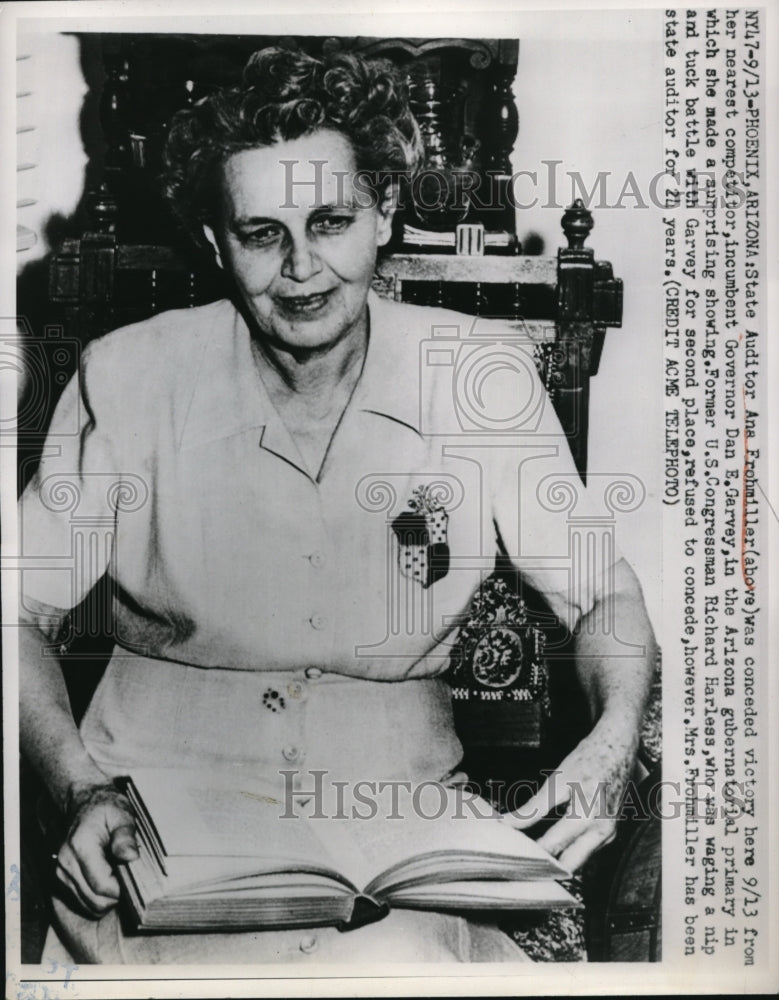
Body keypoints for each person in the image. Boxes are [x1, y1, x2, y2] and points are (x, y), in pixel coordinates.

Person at [18, 46, 657, 964]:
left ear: (384, 214)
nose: (302, 268)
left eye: (330, 220)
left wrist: (609, 739)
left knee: (392, 967)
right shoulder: (129, 375)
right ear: (213, 241)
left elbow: (606, 598)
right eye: (261, 232)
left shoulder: (477, 377)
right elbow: (16, 614)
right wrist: (79, 790)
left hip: (396, 823)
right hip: (158, 818)